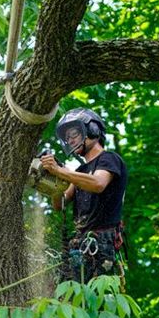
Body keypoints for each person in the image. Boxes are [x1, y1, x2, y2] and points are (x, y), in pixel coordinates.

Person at [39, 108, 128, 284]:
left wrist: (61, 171)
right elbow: (61, 203)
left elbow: (98, 183)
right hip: (80, 242)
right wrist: (53, 185)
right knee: (69, 295)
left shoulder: (109, 159)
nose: (70, 140)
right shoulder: (80, 171)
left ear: (92, 131)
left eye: (74, 135)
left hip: (101, 243)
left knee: (96, 297)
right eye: (67, 138)